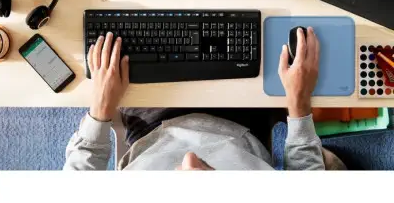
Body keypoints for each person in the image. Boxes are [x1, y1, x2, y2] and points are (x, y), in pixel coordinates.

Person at [64, 27, 325, 170]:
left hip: (152, 127)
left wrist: (101, 105)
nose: (190, 157)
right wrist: (299, 100)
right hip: (247, 128)